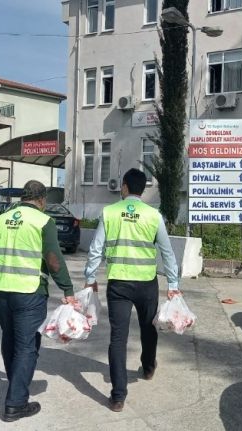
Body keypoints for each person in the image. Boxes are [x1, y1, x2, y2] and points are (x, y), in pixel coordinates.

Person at [0, 180, 76, 423]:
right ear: (41, 200)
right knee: (27, 345)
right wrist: (67, 288)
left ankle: (15, 382)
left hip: (1, 291)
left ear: (22, 197)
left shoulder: (0, 220)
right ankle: (16, 403)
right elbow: (53, 258)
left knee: (9, 337)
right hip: (29, 292)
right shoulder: (42, 221)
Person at [84, 168, 181, 413]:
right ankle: (148, 367)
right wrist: (173, 285)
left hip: (118, 284)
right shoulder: (153, 215)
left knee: (118, 337)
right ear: (142, 189)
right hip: (147, 283)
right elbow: (167, 252)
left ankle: (118, 396)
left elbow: (96, 248)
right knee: (148, 327)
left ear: (125, 187)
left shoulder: (109, 212)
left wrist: (90, 278)